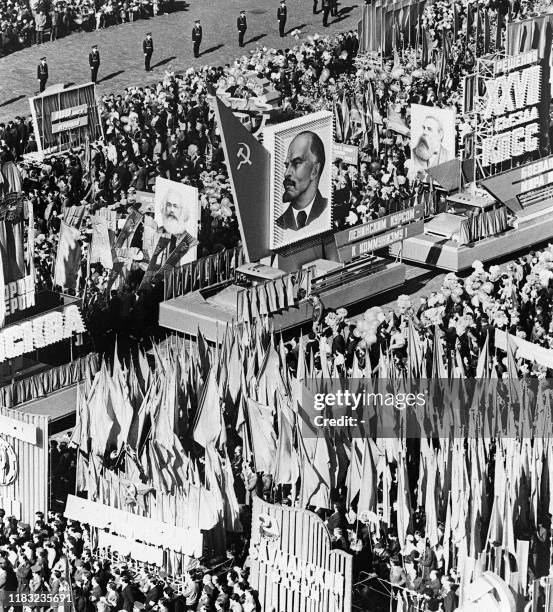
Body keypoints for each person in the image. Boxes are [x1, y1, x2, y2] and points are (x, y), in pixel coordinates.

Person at [276, 131, 329, 235]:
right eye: (287, 165)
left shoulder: (327, 211)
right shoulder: (279, 224)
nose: (286, 173)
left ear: (314, 171)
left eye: (296, 163)